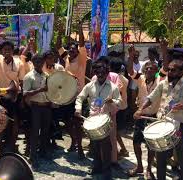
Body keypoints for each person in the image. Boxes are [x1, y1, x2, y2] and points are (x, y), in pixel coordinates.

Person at [134, 56, 183, 180]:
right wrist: (140, 109)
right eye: (169, 70)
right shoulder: (163, 84)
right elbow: (150, 98)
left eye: (173, 70)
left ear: (182, 72)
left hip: (181, 128)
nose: (169, 73)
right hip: (163, 126)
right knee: (161, 161)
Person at [75, 56, 122, 178]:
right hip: (92, 120)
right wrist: (78, 109)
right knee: (94, 145)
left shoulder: (113, 87)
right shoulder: (90, 86)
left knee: (106, 147)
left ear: (107, 73)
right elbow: (80, 97)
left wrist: (113, 101)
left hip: (106, 120)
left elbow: (120, 102)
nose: (100, 74)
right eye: (97, 72)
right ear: (95, 73)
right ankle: (96, 167)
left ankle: (107, 171)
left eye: (103, 72)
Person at [0, 32, 26, 153]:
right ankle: (1, 146)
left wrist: (22, 99)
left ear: (13, 51)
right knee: (1, 121)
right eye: (4, 49)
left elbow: (21, 82)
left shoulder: (19, 63)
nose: (7, 51)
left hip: (15, 97)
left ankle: (12, 145)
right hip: (2, 97)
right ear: (1, 51)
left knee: (15, 121)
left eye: (9, 49)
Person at [126, 46, 159, 179]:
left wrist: (162, 48)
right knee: (136, 142)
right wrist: (130, 55)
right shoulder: (140, 79)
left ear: (156, 71)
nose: (149, 69)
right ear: (144, 70)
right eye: (147, 68)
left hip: (153, 117)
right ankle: (139, 166)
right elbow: (129, 70)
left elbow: (166, 68)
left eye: (152, 68)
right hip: (140, 116)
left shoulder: (160, 80)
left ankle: (149, 169)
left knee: (151, 145)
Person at [56, 22, 87, 158]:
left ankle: (80, 148)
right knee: (67, 121)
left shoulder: (81, 59)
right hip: (66, 96)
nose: (73, 51)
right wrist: (60, 32)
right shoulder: (67, 59)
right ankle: (74, 142)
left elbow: (81, 44)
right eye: (71, 50)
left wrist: (80, 29)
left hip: (78, 95)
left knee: (77, 123)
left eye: (75, 50)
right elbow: (58, 46)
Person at [23, 54, 51, 169]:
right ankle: (32, 156)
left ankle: (43, 152)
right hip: (35, 107)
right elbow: (25, 93)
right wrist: (40, 90)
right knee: (35, 132)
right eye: (37, 61)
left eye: (41, 61)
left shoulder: (47, 76)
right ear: (33, 63)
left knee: (45, 131)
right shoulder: (29, 76)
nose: (39, 63)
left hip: (47, 106)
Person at [109, 58, 129, 159]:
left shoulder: (117, 78)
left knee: (114, 131)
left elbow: (118, 93)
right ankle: (120, 150)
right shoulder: (123, 77)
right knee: (114, 131)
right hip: (123, 106)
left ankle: (121, 150)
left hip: (118, 107)